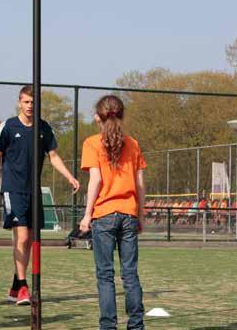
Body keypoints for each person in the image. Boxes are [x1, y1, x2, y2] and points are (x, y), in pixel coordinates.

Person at [0, 85, 80, 306]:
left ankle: (15, 286)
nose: (30, 106)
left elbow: (54, 156)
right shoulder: (8, 126)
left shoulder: (44, 128)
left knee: (29, 241)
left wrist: (70, 176)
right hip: (13, 189)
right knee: (23, 238)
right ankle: (24, 287)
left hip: (33, 192)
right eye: (26, 102)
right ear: (20, 102)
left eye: (34, 102)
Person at [78, 95, 147, 330]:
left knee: (105, 276)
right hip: (128, 213)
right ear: (122, 115)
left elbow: (95, 181)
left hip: (104, 214)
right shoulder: (133, 143)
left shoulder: (91, 143)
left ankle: (108, 327)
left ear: (98, 117)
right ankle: (136, 326)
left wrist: (87, 215)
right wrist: (140, 214)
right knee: (130, 274)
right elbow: (140, 184)